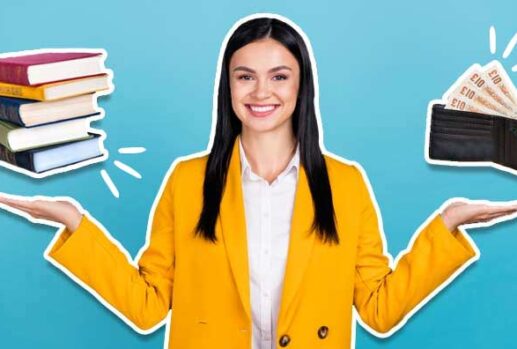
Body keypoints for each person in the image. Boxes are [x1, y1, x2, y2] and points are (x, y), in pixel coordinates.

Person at [0, 14, 516, 349]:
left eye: (279, 75)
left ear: (301, 86)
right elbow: (147, 305)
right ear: (227, 87)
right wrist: (74, 225)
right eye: (245, 75)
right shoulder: (187, 181)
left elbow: (378, 311)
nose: (260, 91)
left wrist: (446, 228)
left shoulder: (346, 184)